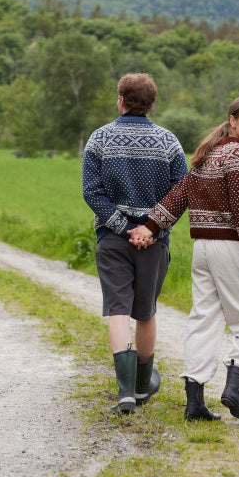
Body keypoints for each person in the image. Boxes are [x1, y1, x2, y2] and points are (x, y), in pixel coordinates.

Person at [129, 96, 239, 421]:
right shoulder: (237, 155)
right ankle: (234, 385)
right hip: (230, 247)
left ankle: (195, 401)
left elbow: (179, 196)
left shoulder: (209, 154)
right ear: (232, 120)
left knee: (204, 318)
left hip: (202, 248)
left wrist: (149, 227)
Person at [82, 73, 188, 414]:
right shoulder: (169, 143)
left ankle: (125, 391)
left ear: (121, 100)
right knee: (145, 312)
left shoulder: (98, 140)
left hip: (113, 240)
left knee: (118, 310)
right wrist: (150, 230)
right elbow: (180, 192)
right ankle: (143, 386)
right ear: (152, 103)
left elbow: (91, 191)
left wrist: (124, 227)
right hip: (154, 243)